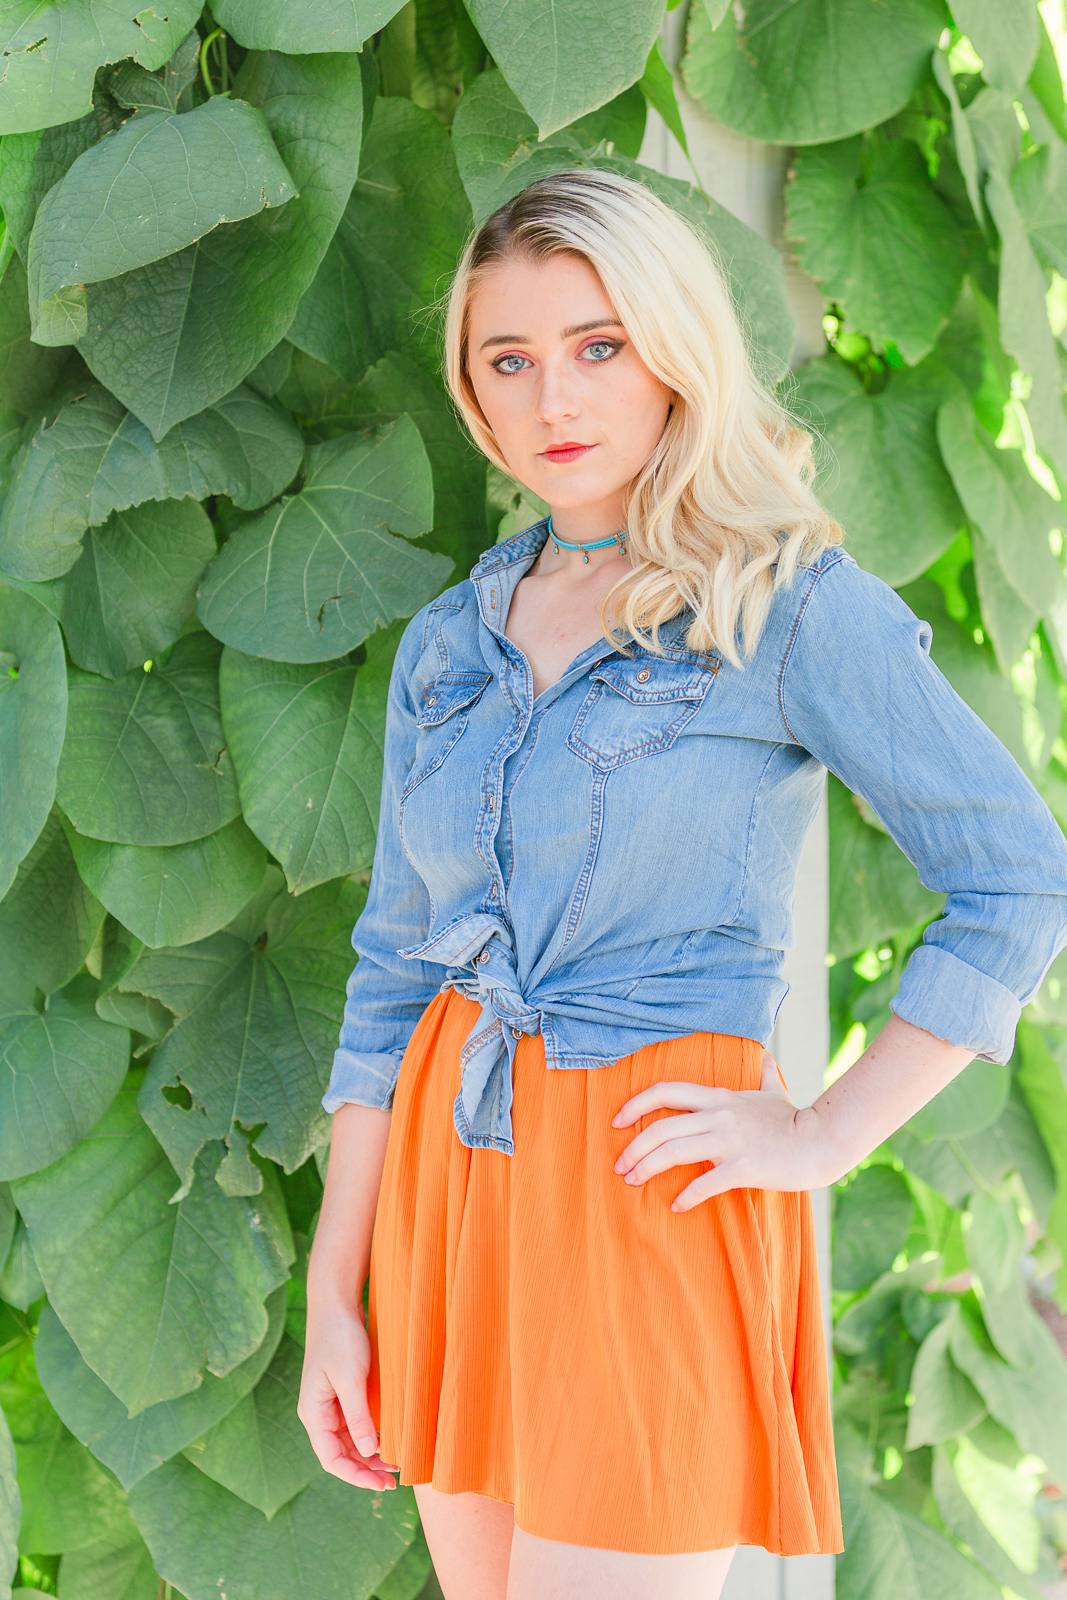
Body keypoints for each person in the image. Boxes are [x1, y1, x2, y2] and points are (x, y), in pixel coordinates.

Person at [297, 170, 1067, 1600]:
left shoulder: (778, 601)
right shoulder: (450, 642)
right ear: (471, 389)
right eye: (507, 361)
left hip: (655, 1184)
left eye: (598, 345)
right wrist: (331, 1295)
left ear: (674, 350)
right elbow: (395, 971)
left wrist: (825, 1134)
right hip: (453, 1191)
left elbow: (1019, 881)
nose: (552, 399)